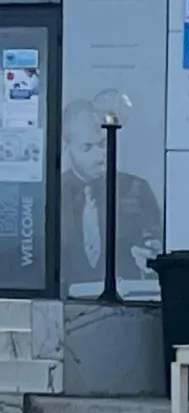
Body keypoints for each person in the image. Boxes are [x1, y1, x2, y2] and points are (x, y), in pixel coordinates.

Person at [59, 99, 163, 295]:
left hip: (128, 300)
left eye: (102, 144)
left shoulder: (137, 190)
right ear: (68, 149)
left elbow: (158, 249)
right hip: (69, 302)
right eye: (87, 148)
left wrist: (152, 259)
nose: (100, 155)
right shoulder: (56, 194)